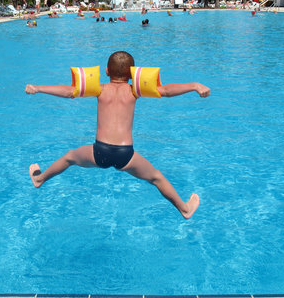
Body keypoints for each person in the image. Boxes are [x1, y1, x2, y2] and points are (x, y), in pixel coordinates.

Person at [25, 51, 210, 219]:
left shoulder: (100, 89)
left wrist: (38, 88)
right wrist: (194, 85)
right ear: (132, 74)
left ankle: (40, 179)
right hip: (125, 155)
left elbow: (68, 91)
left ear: (106, 71)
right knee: (157, 178)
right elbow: (167, 91)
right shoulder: (134, 90)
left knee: (69, 157)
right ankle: (184, 209)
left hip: (99, 151)